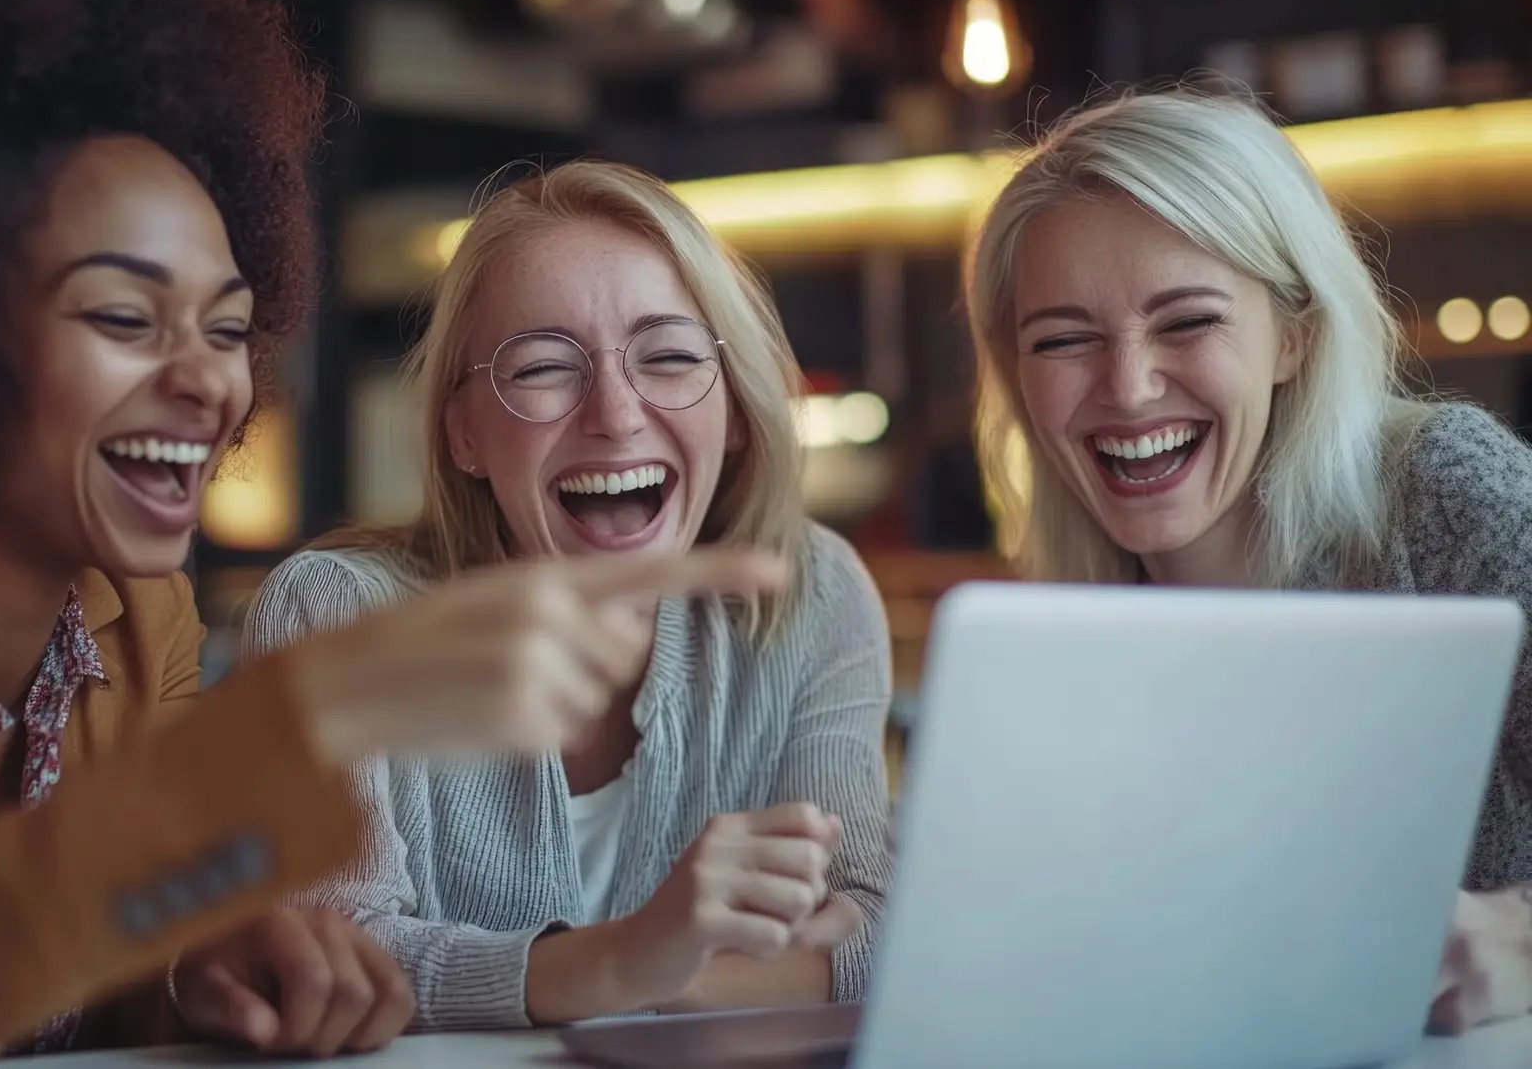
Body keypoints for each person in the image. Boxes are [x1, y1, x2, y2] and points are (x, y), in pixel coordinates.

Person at [0, 0, 784, 1068]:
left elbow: (132, 920)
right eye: (126, 317)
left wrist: (217, 961)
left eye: (226, 329)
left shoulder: (136, 618)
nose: (210, 384)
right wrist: (303, 715)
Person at [247, 159, 895, 1030]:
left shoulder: (810, 595)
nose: (617, 414)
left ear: (736, 412)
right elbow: (330, 959)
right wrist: (627, 956)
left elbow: (874, 932)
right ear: (464, 432)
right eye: (545, 368)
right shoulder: (333, 615)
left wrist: (656, 974)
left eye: (668, 356)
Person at [963, 88, 1532, 1034]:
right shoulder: (1069, 628)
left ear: (1294, 334)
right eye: (1063, 340)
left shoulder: (1443, 495)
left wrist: (1519, 937)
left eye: (1187, 322)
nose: (1129, 387)